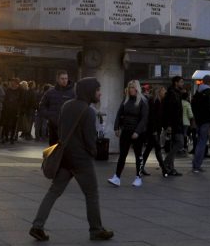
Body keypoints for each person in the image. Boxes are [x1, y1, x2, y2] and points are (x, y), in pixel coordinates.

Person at [30, 77, 113, 242]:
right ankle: (96, 230)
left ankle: (37, 226)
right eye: (97, 90)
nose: (100, 93)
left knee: (53, 192)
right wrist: (93, 152)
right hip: (81, 160)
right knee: (91, 194)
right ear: (90, 92)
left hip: (65, 157)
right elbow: (90, 140)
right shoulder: (88, 111)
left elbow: (60, 128)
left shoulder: (66, 106)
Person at [109, 79, 149, 187]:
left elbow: (144, 119)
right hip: (126, 130)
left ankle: (138, 177)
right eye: (129, 87)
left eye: (132, 87)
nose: (130, 89)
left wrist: (137, 131)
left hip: (137, 132)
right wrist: (116, 127)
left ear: (137, 88)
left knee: (138, 155)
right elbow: (119, 113)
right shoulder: (125, 100)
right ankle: (117, 177)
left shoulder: (143, 101)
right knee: (122, 154)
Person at [38, 70, 75, 145]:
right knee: (53, 147)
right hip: (53, 126)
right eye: (62, 78)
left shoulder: (73, 93)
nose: (65, 81)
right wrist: (50, 115)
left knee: (66, 148)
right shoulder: (50, 92)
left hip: (68, 126)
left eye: (66, 78)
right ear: (57, 79)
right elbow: (41, 106)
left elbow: (77, 107)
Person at [190, 75, 210, 174]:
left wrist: (196, 118)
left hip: (198, 120)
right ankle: (197, 165)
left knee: (199, 142)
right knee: (202, 142)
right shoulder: (209, 93)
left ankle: (195, 164)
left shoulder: (197, 92)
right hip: (206, 121)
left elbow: (193, 105)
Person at [160, 76, 185, 177]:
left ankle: (170, 168)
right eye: (181, 82)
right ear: (176, 83)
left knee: (173, 145)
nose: (182, 84)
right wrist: (169, 125)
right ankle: (166, 163)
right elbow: (169, 111)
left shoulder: (176, 93)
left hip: (177, 123)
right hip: (174, 124)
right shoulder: (172, 94)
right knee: (179, 143)